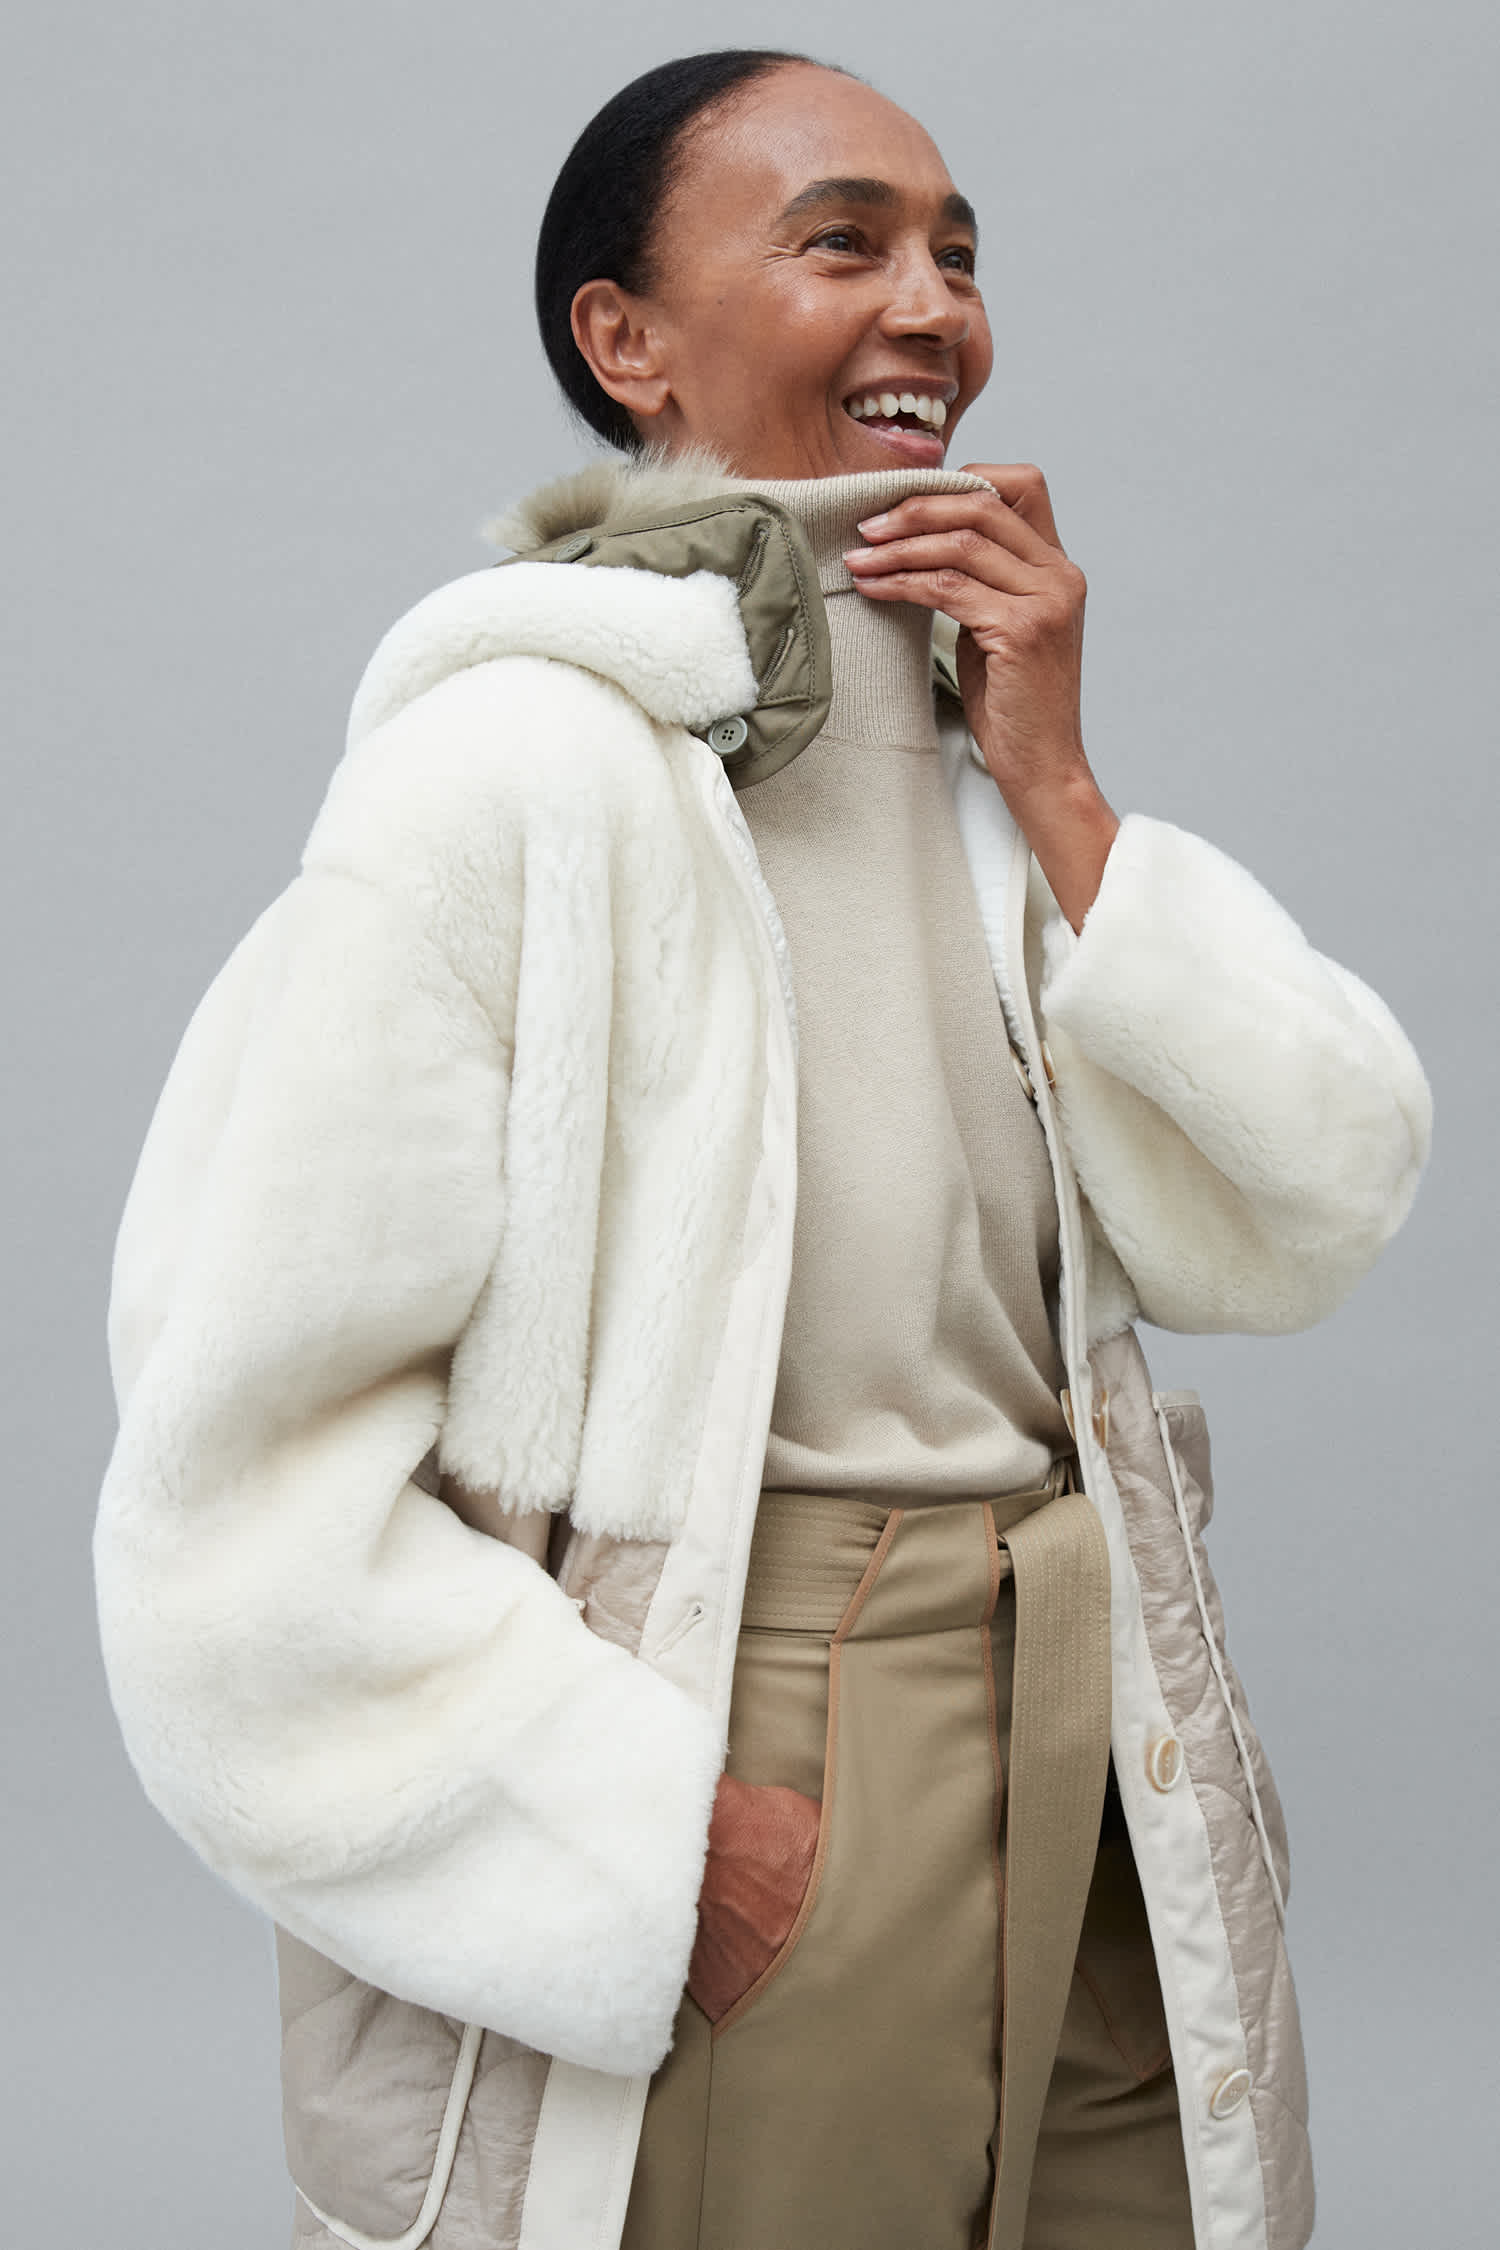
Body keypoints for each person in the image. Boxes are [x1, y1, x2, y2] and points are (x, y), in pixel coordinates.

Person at [92, 46, 1432, 2250]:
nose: (932, 307)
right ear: (626, 341)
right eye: (843, 243)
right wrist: (642, 1838)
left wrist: (1068, 789)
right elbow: (231, 1476)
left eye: (959, 255)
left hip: (1097, 1715)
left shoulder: (995, 791)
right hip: (749, 1716)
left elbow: (1317, 1202)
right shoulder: (504, 782)